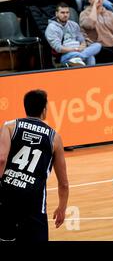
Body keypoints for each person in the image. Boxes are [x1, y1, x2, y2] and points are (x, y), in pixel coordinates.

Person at [0, 89, 69, 241]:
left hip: (7, 195)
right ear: (44, 109)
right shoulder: (54, 138)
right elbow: (63, 183)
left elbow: (1, 159)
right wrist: (62, 208)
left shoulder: (10, 126)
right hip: (34, 200)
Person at [45, 2, 102, 66]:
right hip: (65, 55)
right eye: (62, 12)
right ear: (56, 13)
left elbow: (82, 41)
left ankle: (79, 58)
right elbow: (58, 48)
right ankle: (79, 58)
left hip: (78, 50)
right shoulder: (51, 28)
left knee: (98, 45)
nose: (65, 15)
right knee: (90, 56)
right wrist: (76, 49)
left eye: (67, 12)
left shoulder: (74, 25)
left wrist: (82, 46)